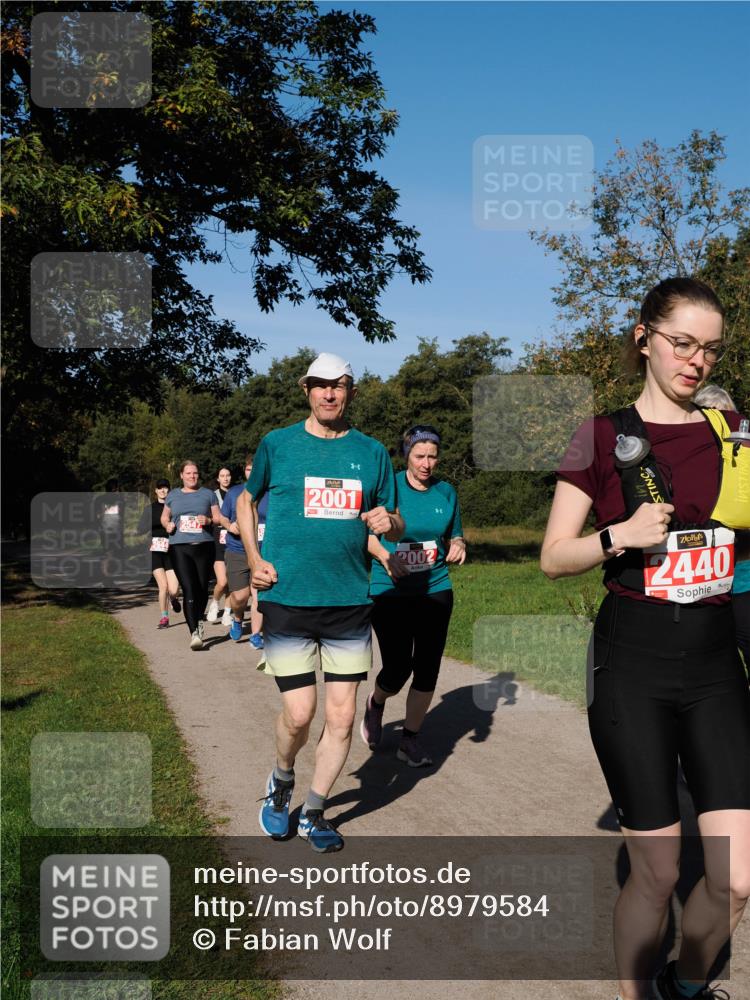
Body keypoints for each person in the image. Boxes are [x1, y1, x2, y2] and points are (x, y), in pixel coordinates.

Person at [540, 277, 750, 1000]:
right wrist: (616, 536)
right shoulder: (600, 435)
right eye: (682, 343)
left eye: (711, 350)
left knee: (736, 876)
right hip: (633, 660)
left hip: (717, 659)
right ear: (644, 338)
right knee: (658, 874)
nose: (696, 361)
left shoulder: (736, 431)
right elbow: (552, 557)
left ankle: (686, 986)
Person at [236, 352, 404, 853]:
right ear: (307, 390)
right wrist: (253, 556)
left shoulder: (371, 452)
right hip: (288, 598)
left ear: (351, 391)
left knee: (343, 718)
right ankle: (281, 779)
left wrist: (387, 525)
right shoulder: (278, 444)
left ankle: (313, 811)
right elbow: (247, 500)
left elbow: (394, 519)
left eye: (340, 385)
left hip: (349, 603)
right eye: (321, 385)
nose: (330, 394)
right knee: (299, 713)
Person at [361, 424, 466, 766]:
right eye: (419, 456)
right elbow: (366, 534)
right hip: (389, 588)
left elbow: (454, 534)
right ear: (407, 455)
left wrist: (459, 545)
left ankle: (409, 740)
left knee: (428, 667)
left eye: (432, 456)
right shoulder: (387, 485)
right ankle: (376, 703)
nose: (426, 463)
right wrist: (385, 556)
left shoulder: (446, 492)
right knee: (397, 667)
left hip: (435, 586)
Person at [694, 384, 750, 670]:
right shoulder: (689, 463)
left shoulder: (745, 459)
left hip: (742, 579)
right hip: (702, 580)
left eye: (723, 416)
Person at [162, 461, 220, 651]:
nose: (192, 476)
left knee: (202, 588)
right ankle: (194, 631)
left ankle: (198, 619)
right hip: (179, 546)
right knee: (188, 587)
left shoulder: (208, 494)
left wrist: (209, 520)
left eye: (195, 473)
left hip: (203, 546)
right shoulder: (173, 495)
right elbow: (165, 517)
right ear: (181, 475)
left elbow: (218, 518)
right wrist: (167, 525)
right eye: (188, 473)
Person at [220, 454, 268, 649]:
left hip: (263, 552)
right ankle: (238, 617)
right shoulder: (235, 492)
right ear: (245, 472)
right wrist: (230, 525)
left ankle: (256, 634)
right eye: (249, 470)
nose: (252, 473)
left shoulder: (270, 493)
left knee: (258, 594)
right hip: (238, 550)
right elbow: (222, 517)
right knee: (240, 596)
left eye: (255, 469)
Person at [137, 478, 181, 628]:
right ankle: (164, 617)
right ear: (155, 491)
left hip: (171, 551)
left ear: (169, 490)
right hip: (155, 551)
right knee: (163, 586)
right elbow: (140, 530)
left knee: (174, 589)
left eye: (166, 488)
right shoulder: (149, 509)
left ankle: (174, 599)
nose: (163, 491)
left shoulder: (174, 508)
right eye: (160, 488)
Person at [206, 466, 233, 627]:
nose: (225, 478)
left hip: (234, 541)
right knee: (222, 582)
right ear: (218, 479)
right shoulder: (213, 496)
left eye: (228, 475)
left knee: (232, 581)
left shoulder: (237, 493)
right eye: (222, 475)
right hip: (217, 541)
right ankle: (215, 602)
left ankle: (228, 612)